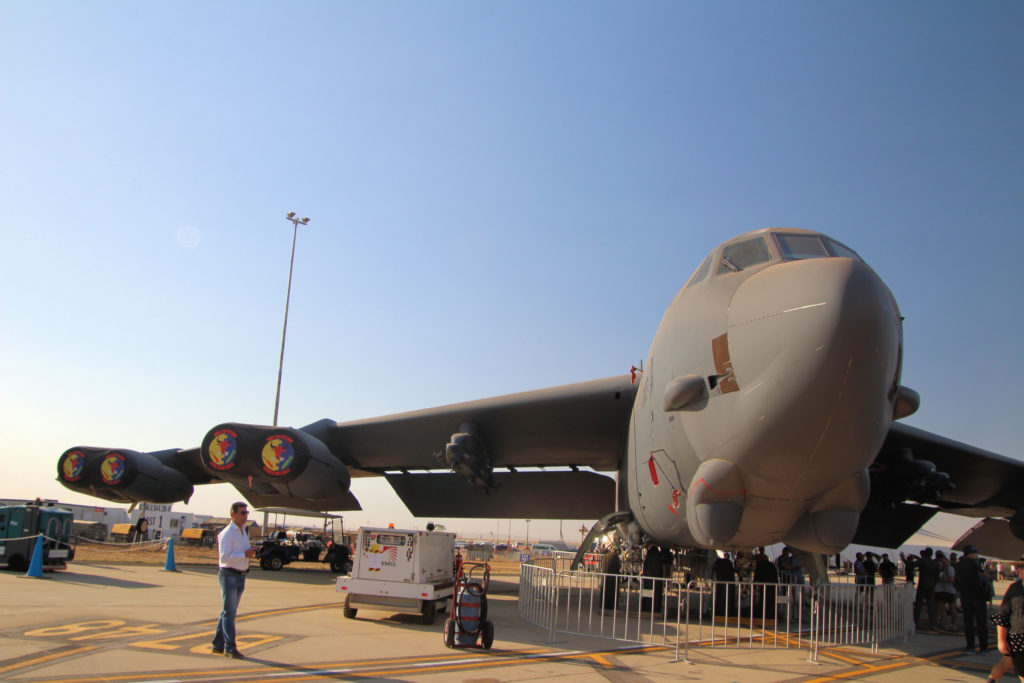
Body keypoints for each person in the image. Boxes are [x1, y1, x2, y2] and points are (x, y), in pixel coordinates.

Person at [212, 501, 255, 658]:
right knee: (229, 613)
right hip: (229, 575)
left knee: (228, 612)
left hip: (240, 575)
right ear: (233, 514)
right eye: (242, 513)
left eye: (246, 513)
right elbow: (224, 558)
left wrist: (249, 552)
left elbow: (242, 552)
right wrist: (245, 555)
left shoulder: (243, 531)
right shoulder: (227, 533)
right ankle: (230, 648)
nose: (245, 516)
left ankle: (217, 644)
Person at [956, 544, 989, 653]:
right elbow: (984, 577)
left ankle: (970, 646)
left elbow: (956, 582)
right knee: (981, 623)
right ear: (972, 553)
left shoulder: (959, 564)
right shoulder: (977, 563)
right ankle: (983, 647)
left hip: (966, 597)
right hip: (978, 597)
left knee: (968, 623)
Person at [915, 548, 940, 631]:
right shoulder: (935, 563)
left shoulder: (922, 561)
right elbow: (937, 576)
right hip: (931, 585)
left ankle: (916, 622)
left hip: (922, 584)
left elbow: (911, 565)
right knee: (931, 606)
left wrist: (904, 559)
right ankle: (933, 624)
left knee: (919, 604)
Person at [935, 551, 957, 629]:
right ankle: (943, 621)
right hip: (944, 590)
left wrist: (942, 580)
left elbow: (952, 580)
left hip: (949, 591)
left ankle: (953, 624)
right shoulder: (944, 569)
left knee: (952, 608)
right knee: (941, 607)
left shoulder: (950, 568)